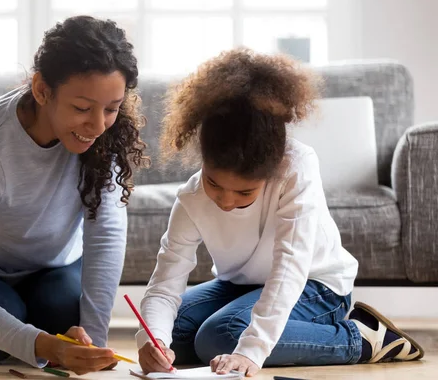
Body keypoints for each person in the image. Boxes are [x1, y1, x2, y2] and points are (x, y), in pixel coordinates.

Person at [137, 48, 423, 377]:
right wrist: (152, 339)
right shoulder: (192, 195)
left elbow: (290, 265)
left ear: (271, 171)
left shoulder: (296, 170)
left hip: (316, 285)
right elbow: (164, 286)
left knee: (222, 337)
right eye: (215, 184)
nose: (226, 201)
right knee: (172, 333)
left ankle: (361, 338)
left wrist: (251, 351)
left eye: (244, 192)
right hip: (239, 285)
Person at [0, 15, 149, 375]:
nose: (97, 126)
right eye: (82, 108)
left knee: (66, 323)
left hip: (47, 266)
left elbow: (105, 239)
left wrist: (92, 346)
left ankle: (22, 320)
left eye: (111, 109)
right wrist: (46, 346)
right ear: (41, 90)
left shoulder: (104, 137)